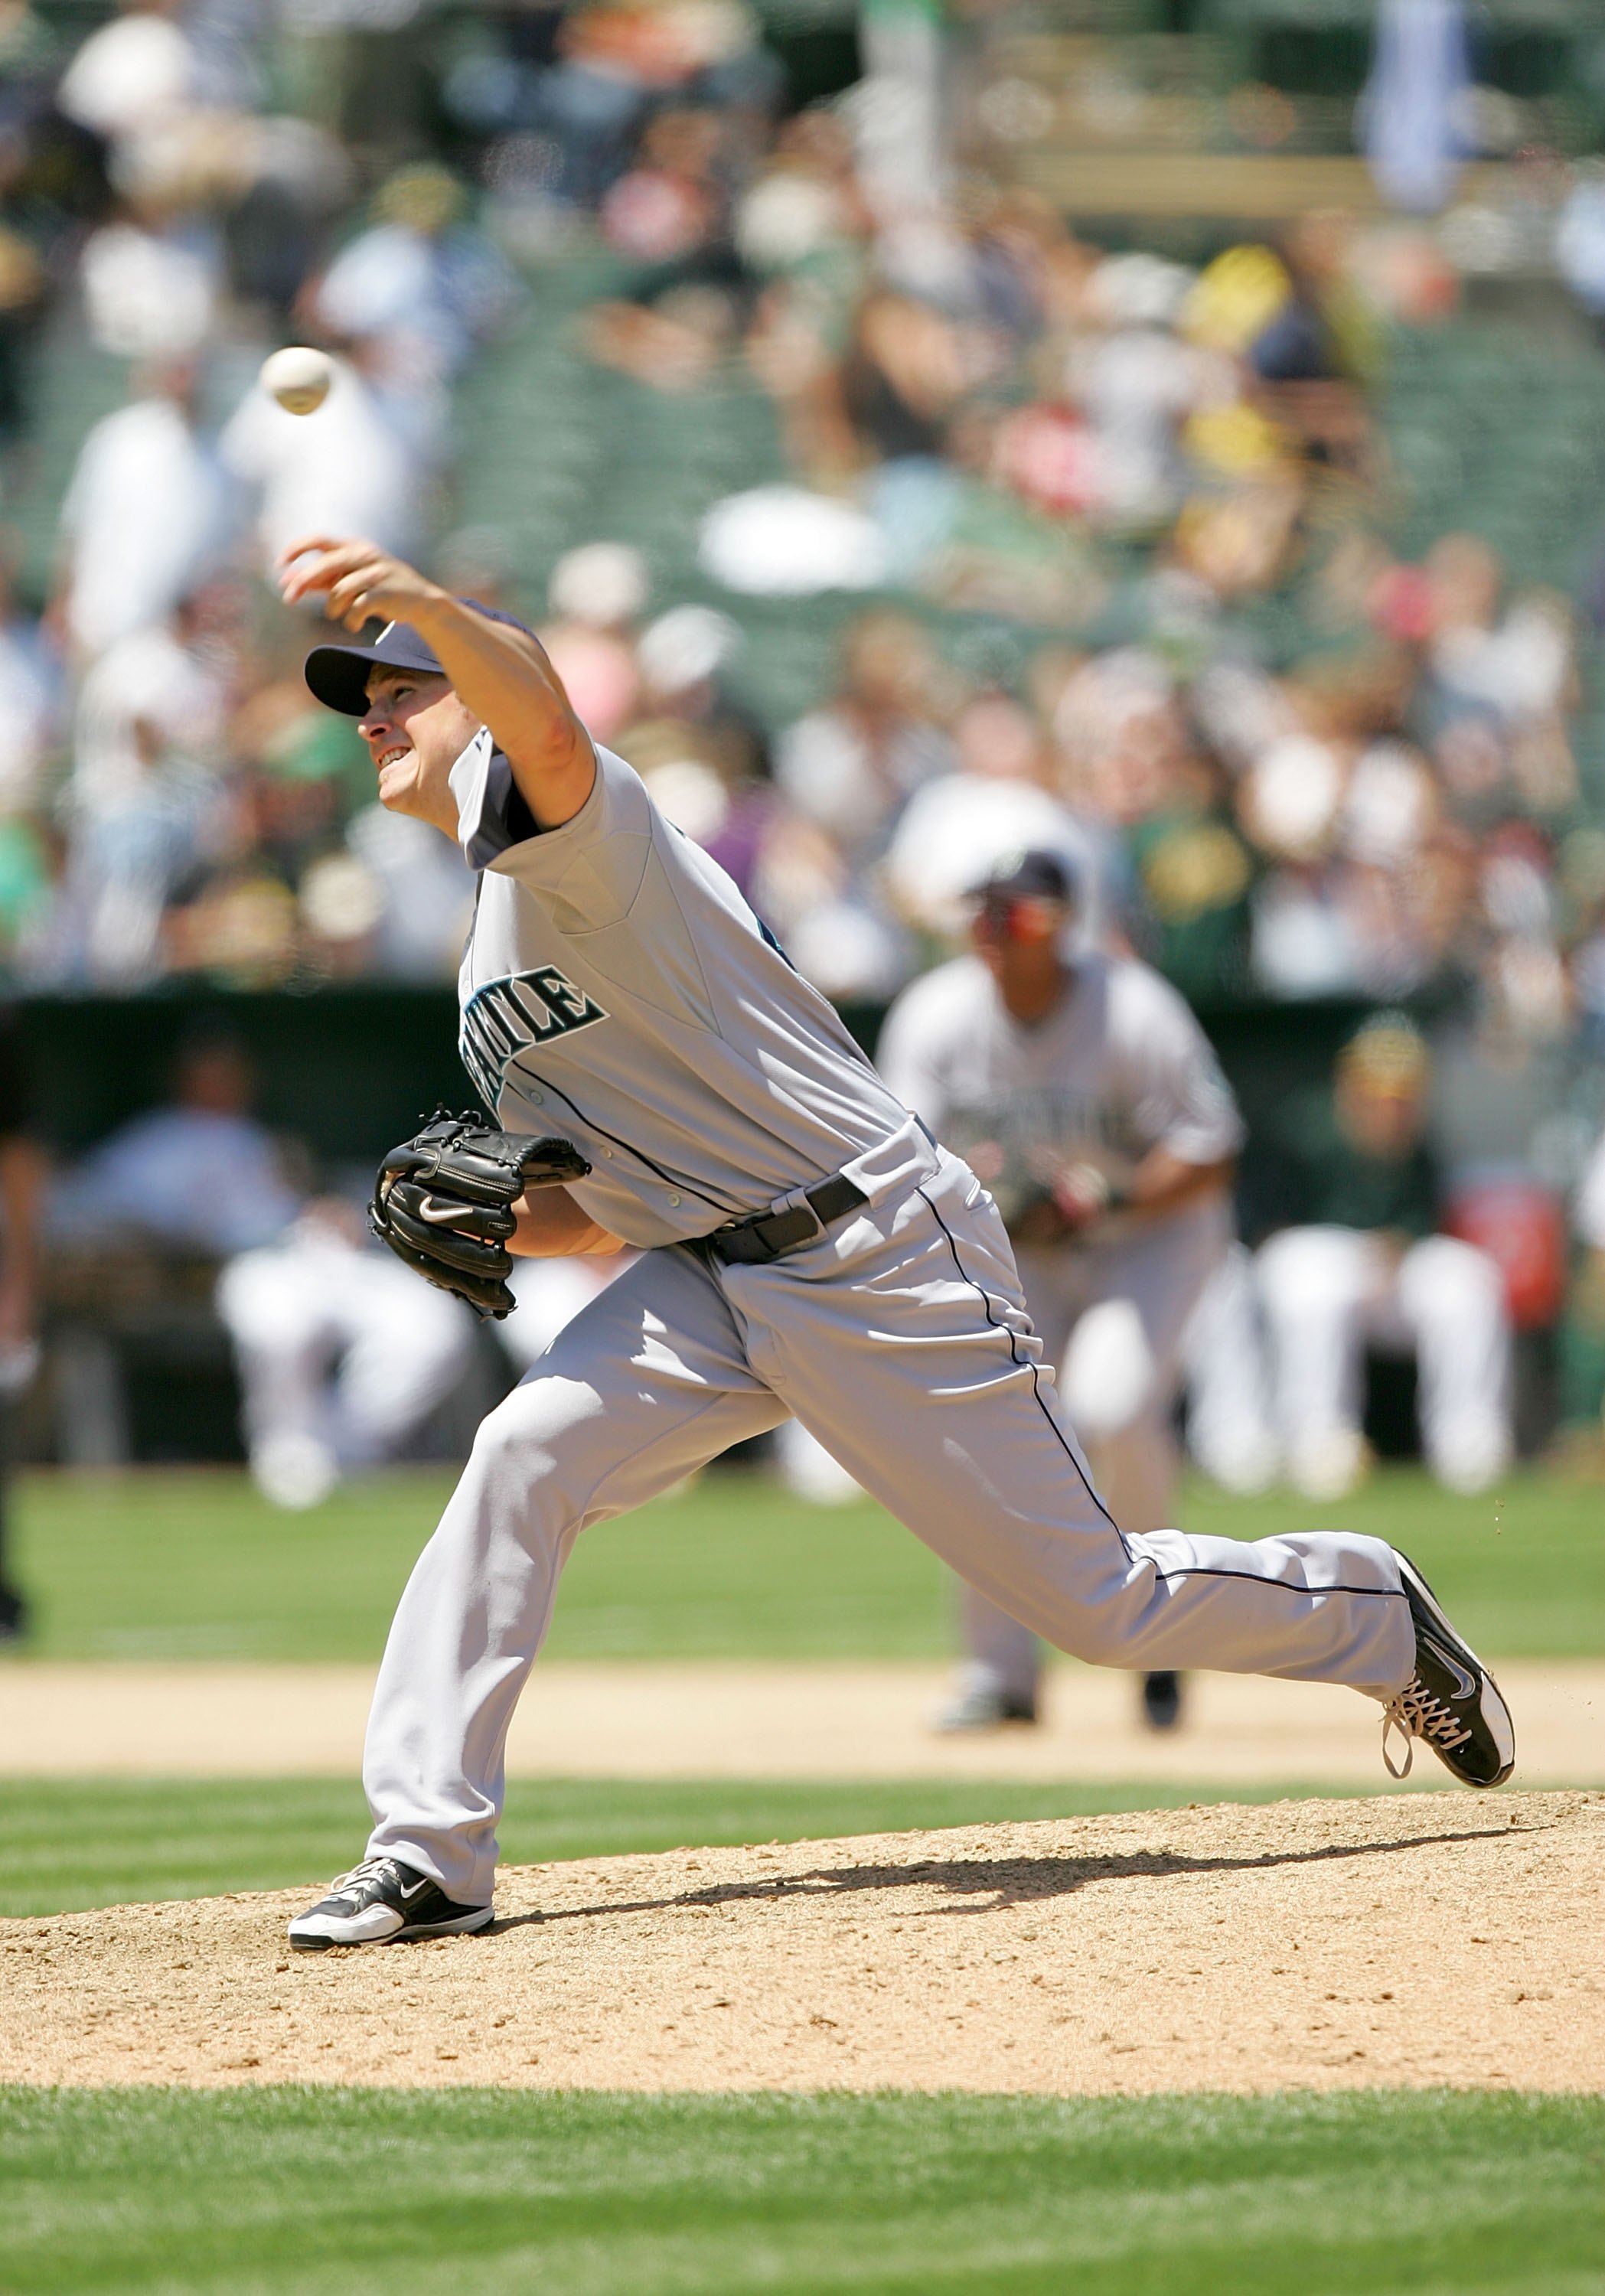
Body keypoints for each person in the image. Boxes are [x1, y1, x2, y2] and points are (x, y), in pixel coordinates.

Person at [276, 534, 1514, 1952]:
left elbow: (548, 718)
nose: (372, 711)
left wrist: (442, 607)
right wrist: (507, 1222)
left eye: (404, 686)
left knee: (1097, 1607)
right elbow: (610, 1197)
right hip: (705, 1275)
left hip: (870, 1249)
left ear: (478, 697)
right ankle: (431, 1848)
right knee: (520, 1456)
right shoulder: (487, 950)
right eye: (360, 693)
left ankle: (1364, 1607)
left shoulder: (581, 837)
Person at [878, 849, 1248, 1737]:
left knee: (1115, 1410)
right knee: (982, 1424)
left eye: (1021, 915)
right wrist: (999, 1198)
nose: (999, 934)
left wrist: (1111, 1194)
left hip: (1147, 1243)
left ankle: (1161, 1636)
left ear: (1063, 922)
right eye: (985, 915)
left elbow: (1210, 1144)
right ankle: (999, 1674)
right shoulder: (938, 1015)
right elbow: (899, 1160)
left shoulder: (1133, 1008)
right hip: (1019, 1249)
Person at [1254, 1014, 1513, 1500]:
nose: (1390, 1106)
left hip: (1391, 1266)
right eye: (1377, 1091)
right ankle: (1319, 1441)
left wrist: (1395, 1245)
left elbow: (1424, 1219)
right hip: (1316, 1256)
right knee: (1314, 1286)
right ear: (1349, 1086)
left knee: (1470, 1280)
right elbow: (1270, 1226)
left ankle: (1470, 1445)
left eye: (1401, 1093)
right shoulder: (1305, 1128)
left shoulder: (1421, 1142)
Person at [216, 1196, 478, 1511]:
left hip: (362, 1256)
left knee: (434, 1330)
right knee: (285, 1328)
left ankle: (350, 1450)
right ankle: (287, 1449)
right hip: (265, 1259)